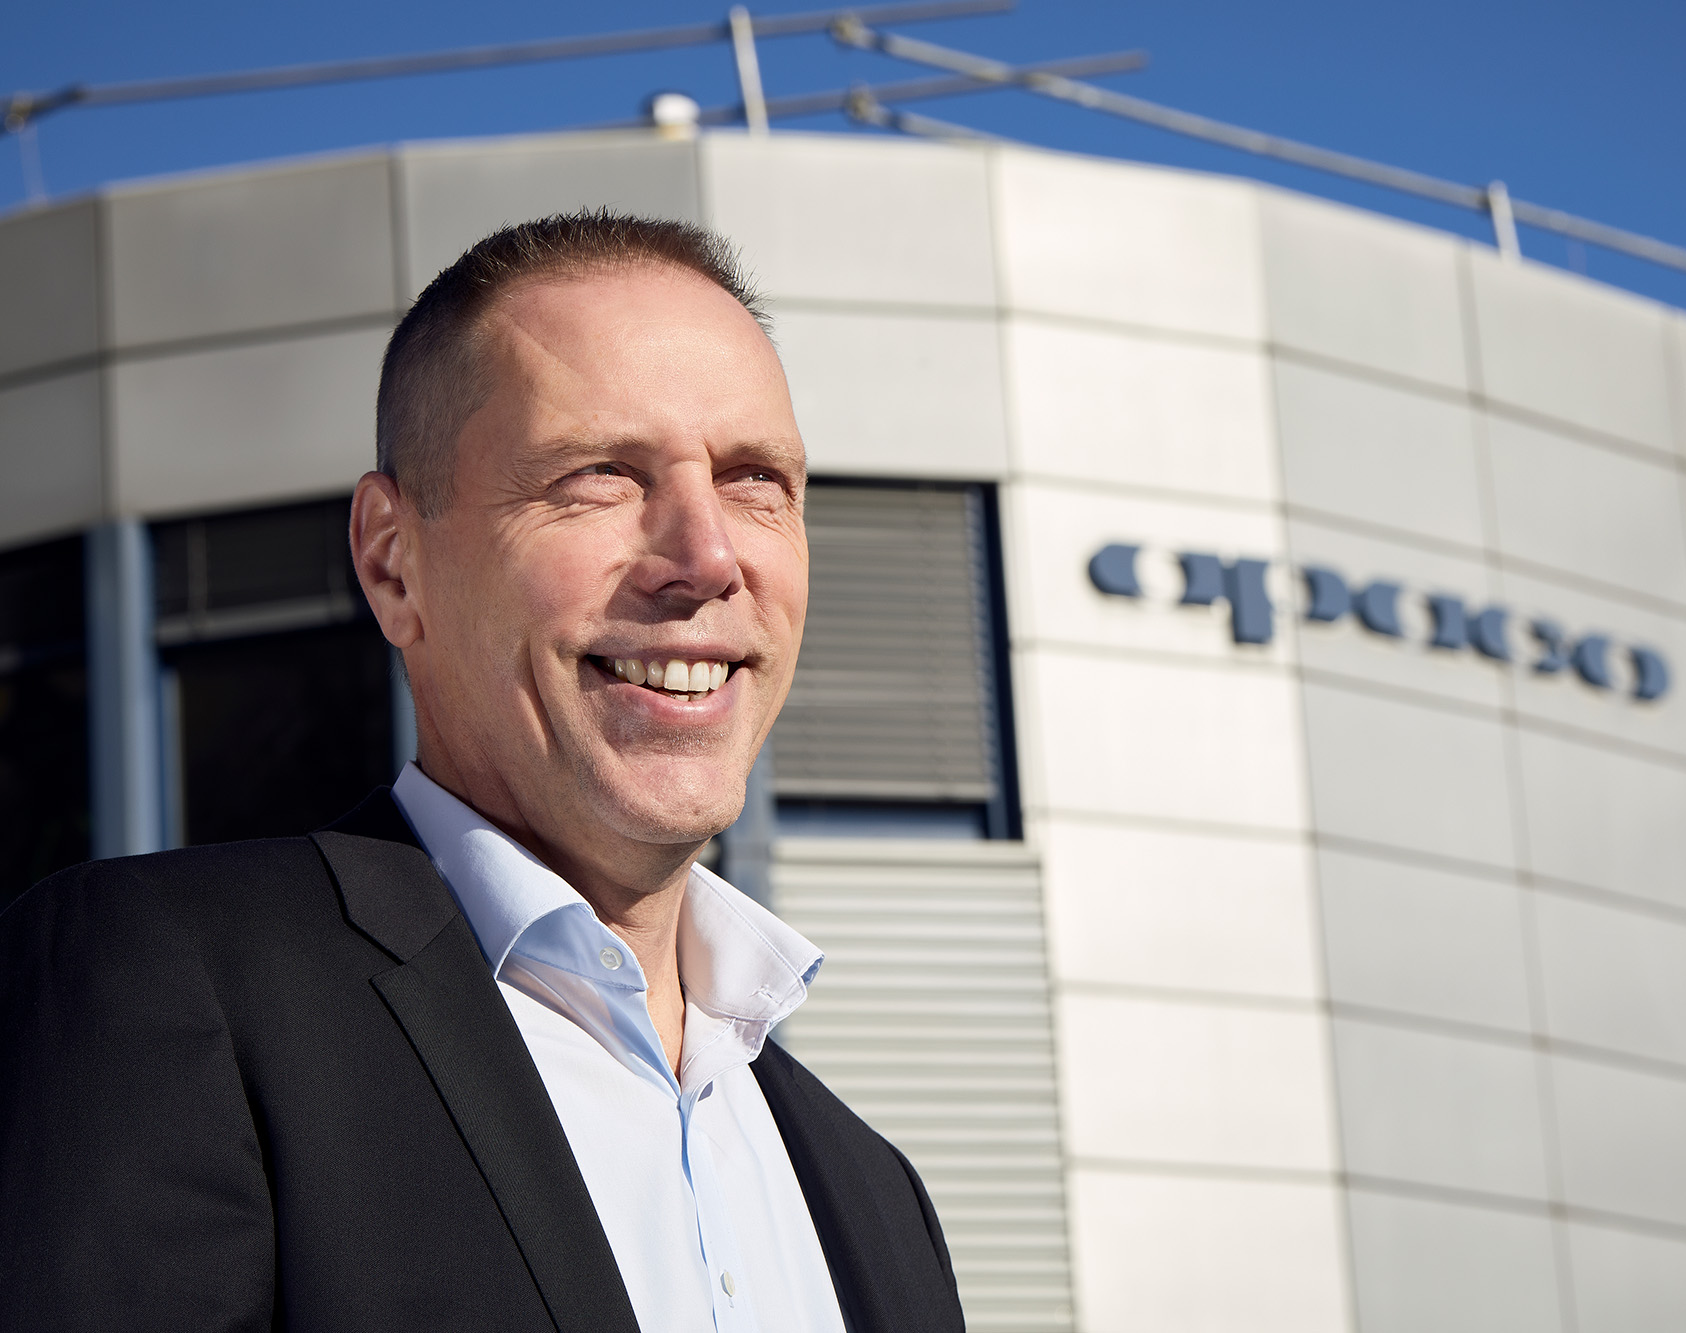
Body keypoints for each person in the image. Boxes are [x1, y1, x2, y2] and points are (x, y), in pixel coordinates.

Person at [0, 212, 965, 1333]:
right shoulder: (162, 986)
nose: (707, 558)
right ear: (392, 564)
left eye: (755, 479)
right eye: (599, 476)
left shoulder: (877, 1198)